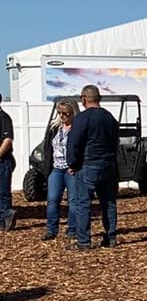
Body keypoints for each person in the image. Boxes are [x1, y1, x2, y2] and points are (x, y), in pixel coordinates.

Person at [66, 85, 120, 250]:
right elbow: (116, 141)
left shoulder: (82, 118)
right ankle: (110, 237)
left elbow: (74, 143)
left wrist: (73, 164)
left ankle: (83, 241)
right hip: (109, 165)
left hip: (89, 165)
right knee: (109, 202)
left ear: (83, 98)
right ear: (99, 98)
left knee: (83, 203)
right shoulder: (110, 118)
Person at [42, 99, 81, 241]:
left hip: (71, 169)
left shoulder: (78, 128)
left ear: (73, 113)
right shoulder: (54, 128)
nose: (62, 116)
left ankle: (72, 229)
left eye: (65, 113)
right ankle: (51, 229)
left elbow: (82, 149)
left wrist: (76, 165)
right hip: (56, 168)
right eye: (60, 113)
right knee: (52, 199)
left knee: (73, 200)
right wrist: (48, 167)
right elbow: (48, 148)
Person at [0, 93, 15, 231]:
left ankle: (6, 216)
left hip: (3, 161)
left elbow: (7, 140)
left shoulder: (3, 118)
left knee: (3, 192)